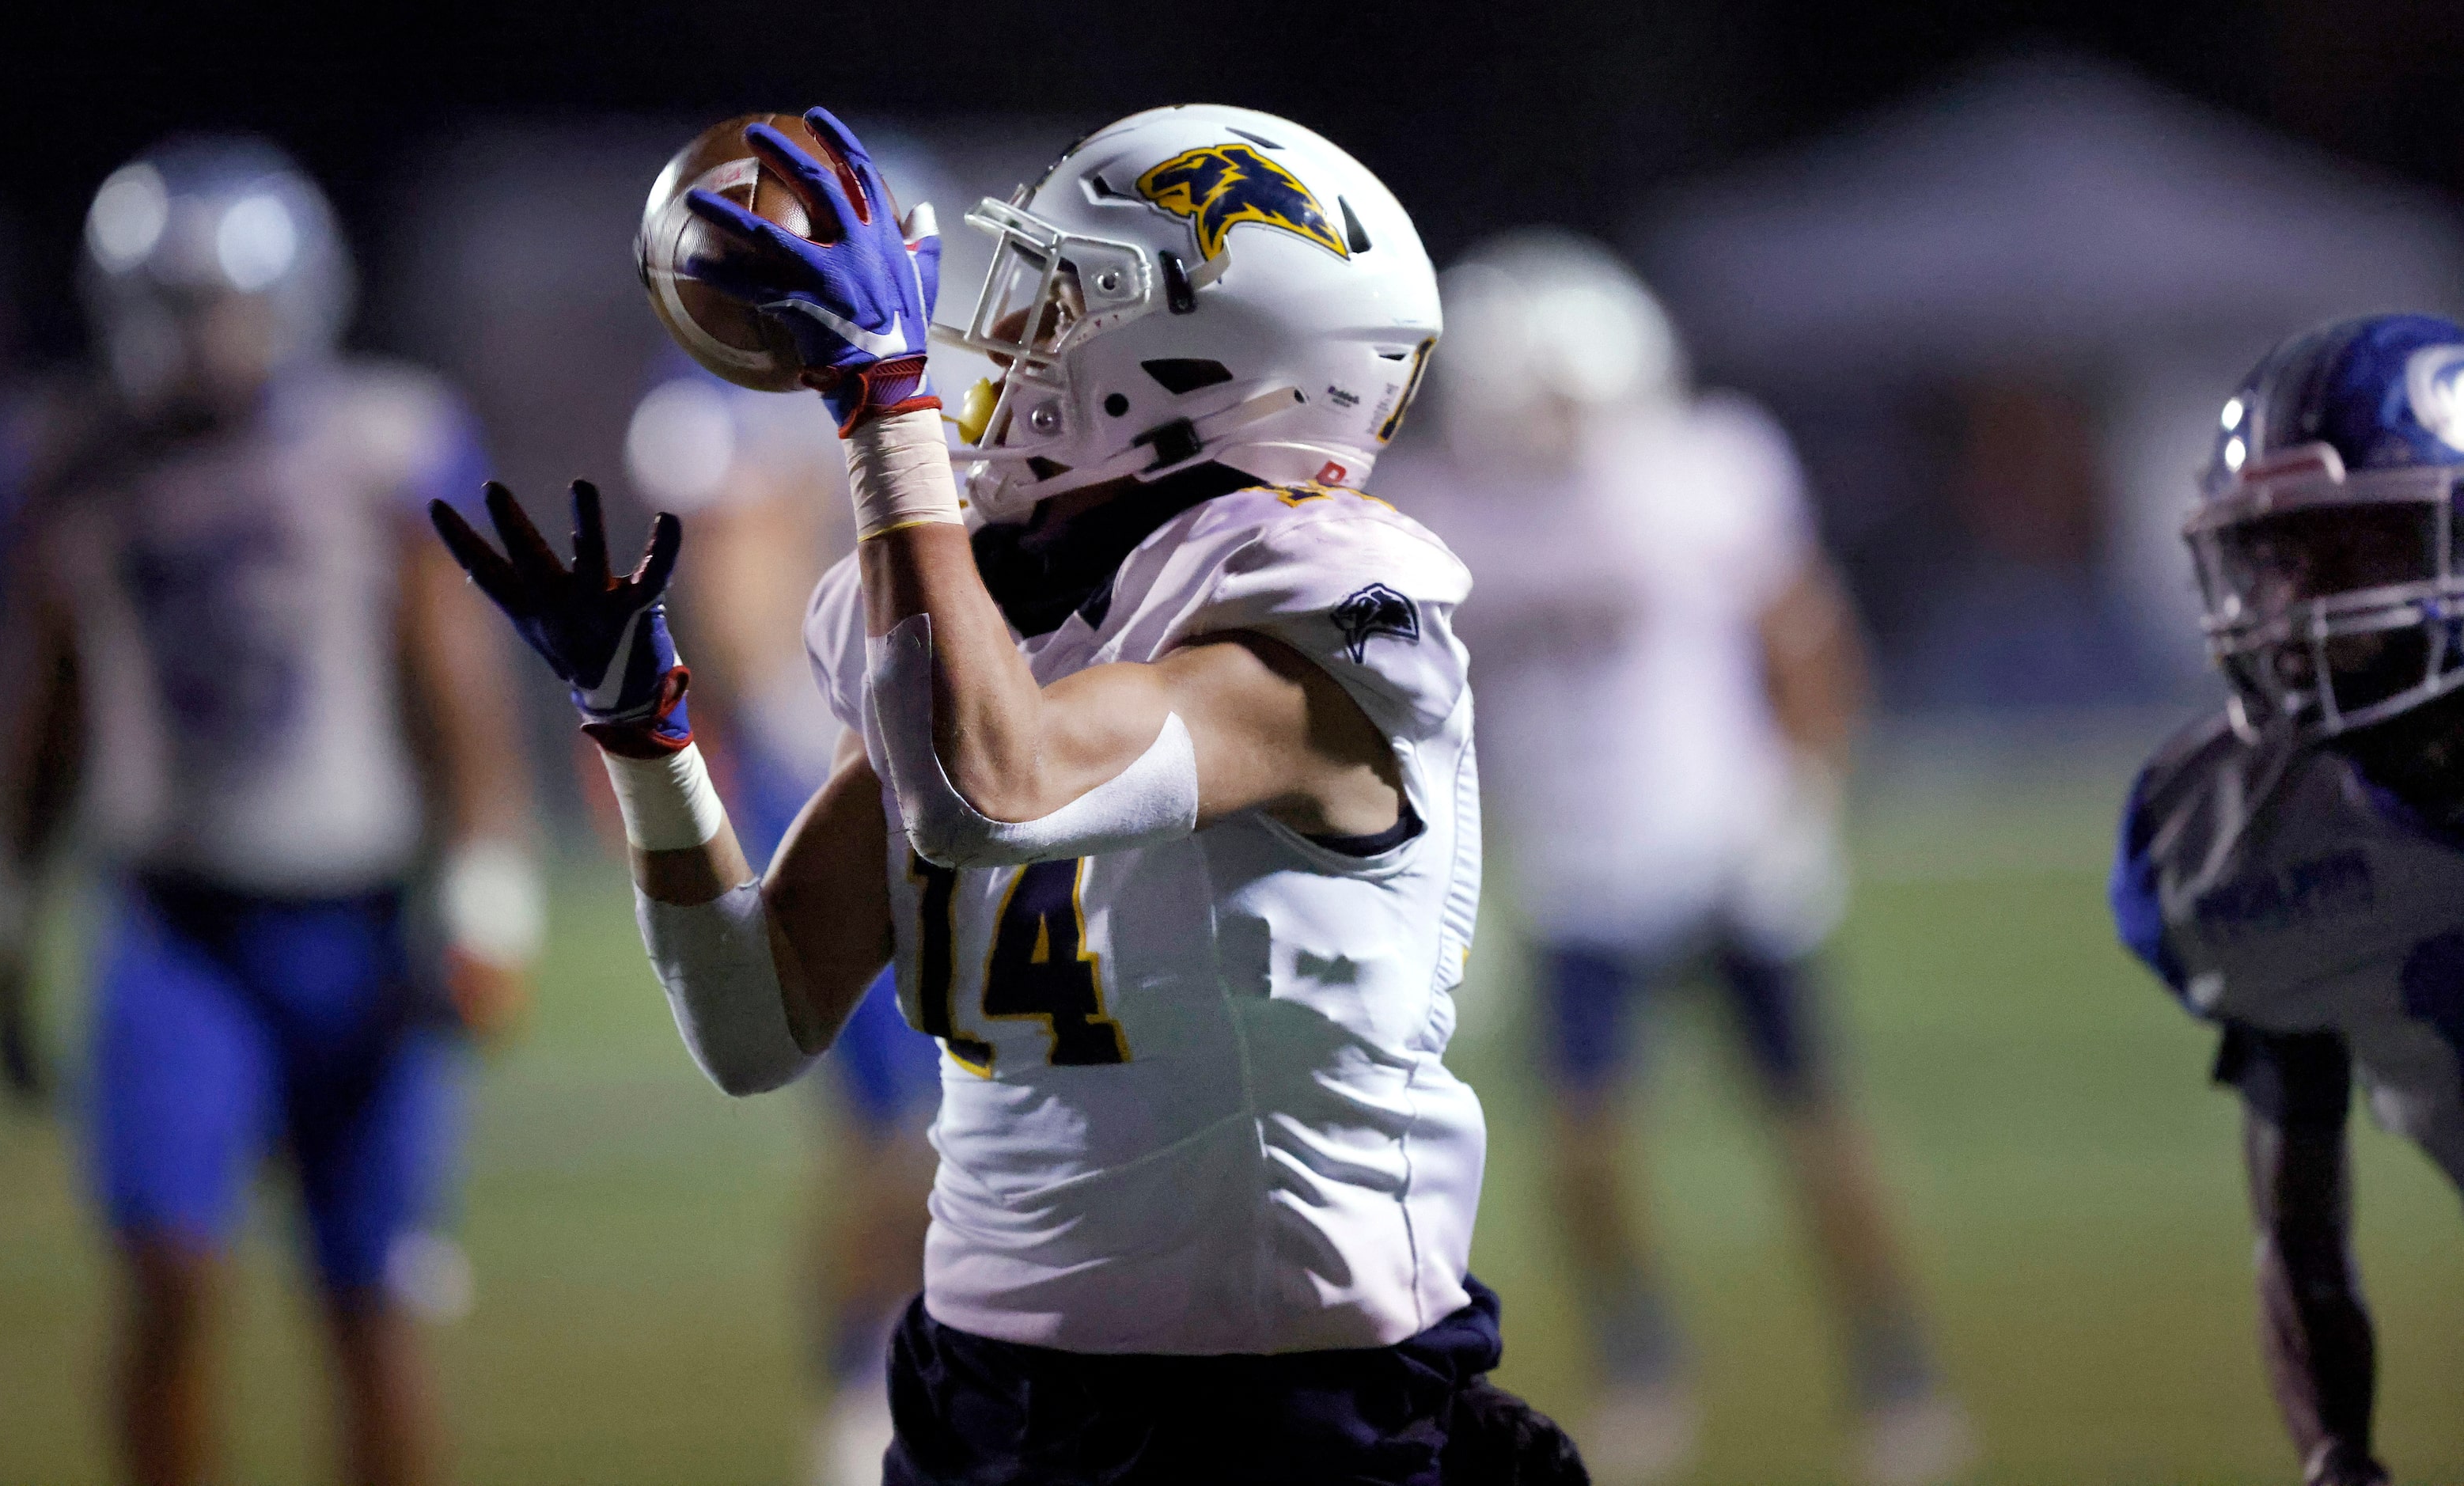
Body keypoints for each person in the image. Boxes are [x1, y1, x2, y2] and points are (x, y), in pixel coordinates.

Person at [434, 105, 1583, 1483]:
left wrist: (882, 405)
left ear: (1201, 362)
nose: (1012, 342)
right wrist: (643, 731)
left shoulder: (1317, 621)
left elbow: (996, 784)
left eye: (1066, 303)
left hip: (1278, 1404)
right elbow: (756, 1017)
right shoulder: (984, 609)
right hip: (981, 1391)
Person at [0, 135, 540, 1486]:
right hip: (175, 920)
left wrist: (487, 883)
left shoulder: (375, 439)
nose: (210, 339)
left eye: (230, 305)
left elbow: (447, 679)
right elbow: (44, 694)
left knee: (370, 1307)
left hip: (357, 922)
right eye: (179, 310)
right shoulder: (69, 455)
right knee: (169, 1277)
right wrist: (4, 904)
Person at [1380, 232, 1969, 1486]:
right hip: (1583, 869)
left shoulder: (1709, 466)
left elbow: (1809, 636)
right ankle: (1644, 1364)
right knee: (1584, 1146)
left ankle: (1897, 1366)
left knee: (1816, 1128)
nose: (1548, 423)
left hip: (1723, 845)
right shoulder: (1446, 507)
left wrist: (1803, 798)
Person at [2113, 312, 2464, 1486]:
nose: (2303, 606)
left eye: (2358, 547)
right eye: (2279, 557)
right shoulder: (2229, 840)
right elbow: (2298, 1219)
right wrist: (2338, 1452)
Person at [621, 354, 942, 1484]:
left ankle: (918, 1383)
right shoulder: (717, 412)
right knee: (895, 1140)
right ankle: (869, 1390)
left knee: (980, 1131)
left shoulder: (961, 387)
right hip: (835, 779)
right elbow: (739, 605)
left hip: (964, 789)